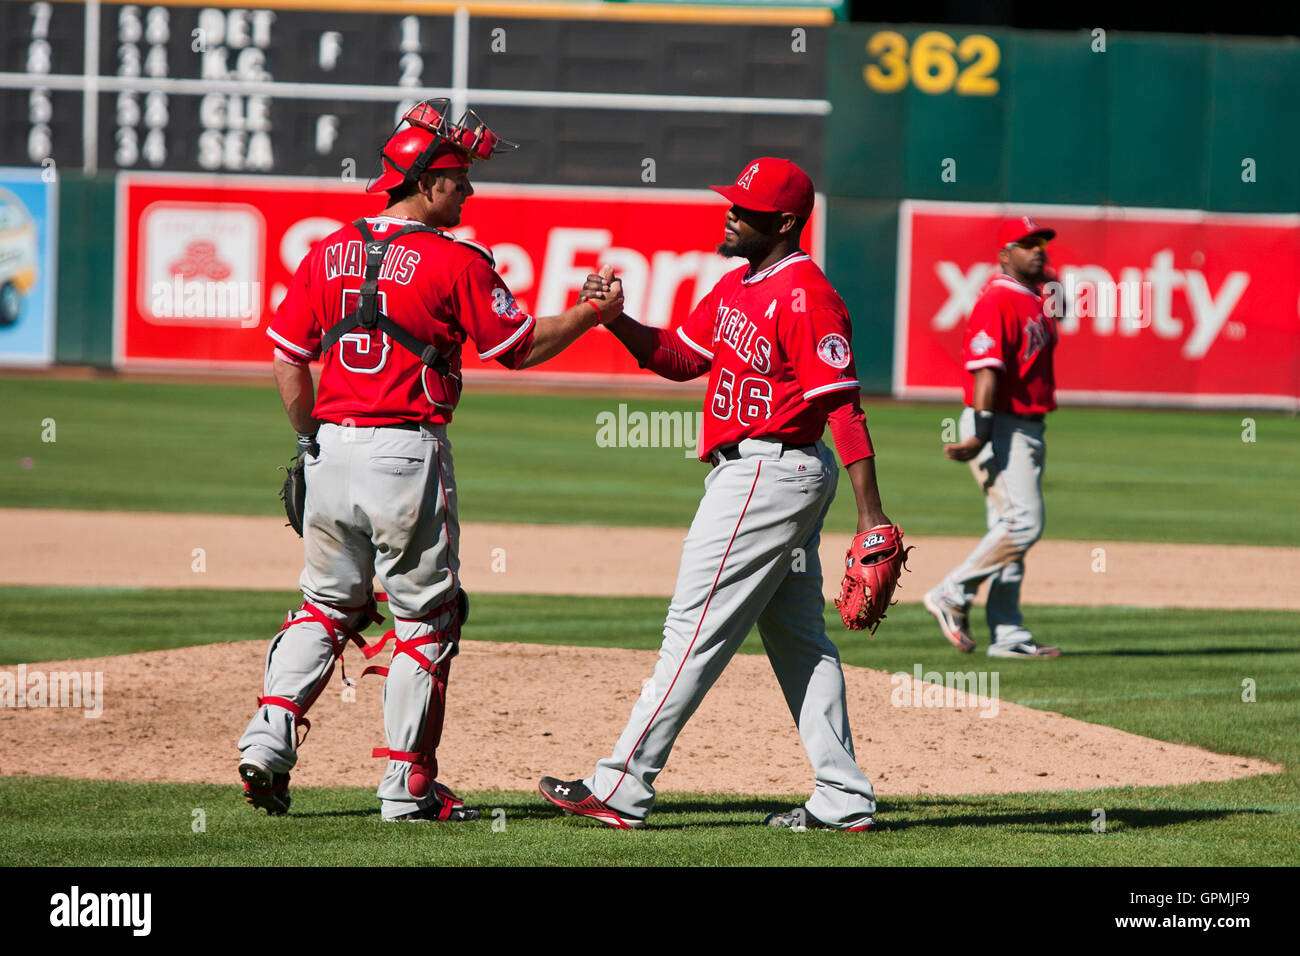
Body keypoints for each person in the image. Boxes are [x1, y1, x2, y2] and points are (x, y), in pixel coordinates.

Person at [236, 100, 623, 820]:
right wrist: (588, 317)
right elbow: (519, 348)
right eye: (461, 179)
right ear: (428, 181)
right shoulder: (457, 259)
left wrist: (308, 440)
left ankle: (265, 743)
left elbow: (290, 362)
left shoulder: (325, 250)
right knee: (425, 618)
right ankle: (407, 786)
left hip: (331, 450)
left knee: (325, 605)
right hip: (404, 453)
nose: (469, 192)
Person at [538, 157, 892, 831]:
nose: (730, 213)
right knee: (798, 641)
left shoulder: (806, 296)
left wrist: (871, 514)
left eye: (745, 207)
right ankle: (844, 797)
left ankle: (622, 784)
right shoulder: (739, 285)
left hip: (769, 476)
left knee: (692, 629)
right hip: (759, 473)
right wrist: (614, 319)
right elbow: (679, 358)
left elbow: (842, 407)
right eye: (732, 201)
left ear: (785, 222)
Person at [922, 216, 1060, 659]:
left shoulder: (1033, 298)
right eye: (1025, 244)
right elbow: (985, 370)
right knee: (1024, 524)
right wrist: (981, 433)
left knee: (1007, 531)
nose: (1037, 249)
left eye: (1041, 241)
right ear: (1004, 255)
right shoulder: (997, 301)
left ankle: (1007, 633)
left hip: (1024, 427)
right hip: (999, 425)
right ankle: (951, 593)